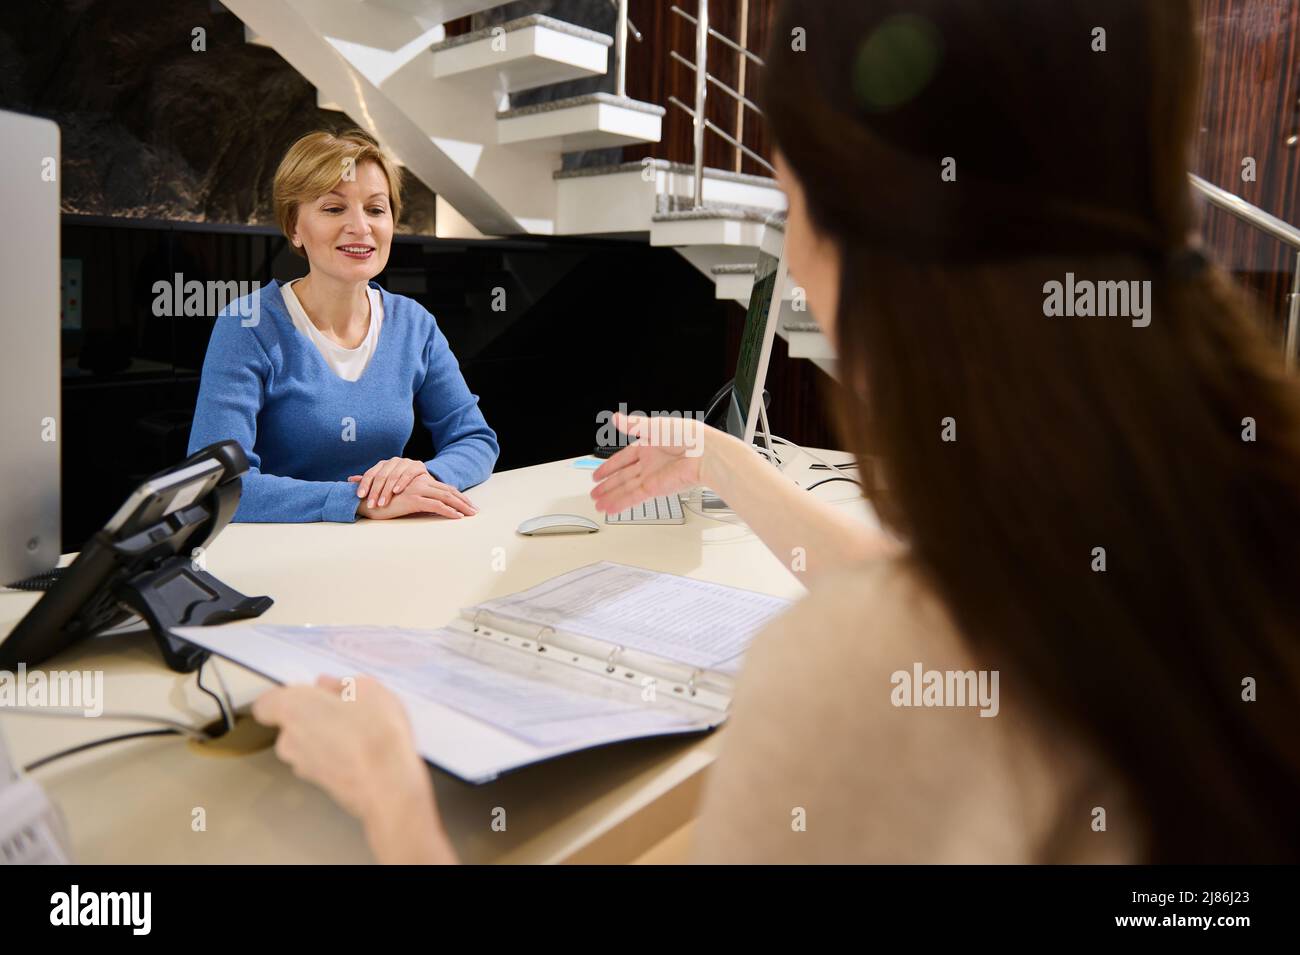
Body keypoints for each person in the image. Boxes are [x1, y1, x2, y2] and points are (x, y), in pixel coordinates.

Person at [252, 1, 1300, 862]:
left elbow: (899, 623)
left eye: (790, 198)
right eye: (336, 210)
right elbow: (920, 594)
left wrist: (393, 801)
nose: (788, 260)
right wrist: (721, 454)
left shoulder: (851, 670)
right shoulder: (1207, 527)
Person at [188, 128, 497, 523]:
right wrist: (358, 500)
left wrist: (426, 474)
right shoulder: (248, 325)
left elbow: (475, 439)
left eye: (375, 209)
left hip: (386, 541)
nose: (361, 227)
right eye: (334, 209)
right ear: (295, 228)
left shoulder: (414, 324)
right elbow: (217, 482)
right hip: (278, 552)